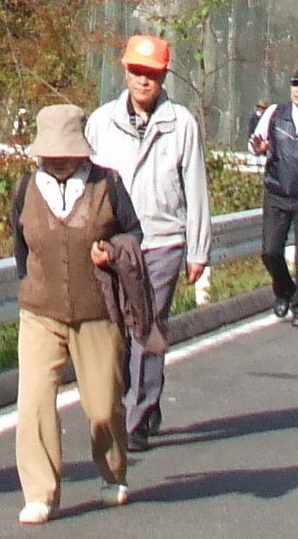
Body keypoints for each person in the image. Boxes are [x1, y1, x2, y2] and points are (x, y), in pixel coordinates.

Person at [7, 102, 152, 522]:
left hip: (97, 312)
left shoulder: (108, 185)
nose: (58, 160)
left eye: (65, 152)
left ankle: (113, 472)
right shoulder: (25, 189)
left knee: (103, 406)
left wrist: (110, 251)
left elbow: (133, 233)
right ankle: (40, 492)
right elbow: (22, 253)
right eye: (50, 154)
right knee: (33, 401)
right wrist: (33, 289)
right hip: (40, 312)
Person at [88, 34, 210, 449]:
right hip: (115, 242)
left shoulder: (182, 124)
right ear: (125, 71)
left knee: (149, 324)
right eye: (137, 72)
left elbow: (196, 188)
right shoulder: (102, 122)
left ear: (163, 76)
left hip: (162, 239)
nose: (143, 81)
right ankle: (136, 401)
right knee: (116, 327)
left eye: (152, 74)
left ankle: (137, 416)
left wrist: (199, 249)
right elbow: (88, 186)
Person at [248, 66, 298, 322]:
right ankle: (284, 290)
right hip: (276, 191)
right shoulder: (276, 113)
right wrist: (259, 148)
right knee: (270, 251)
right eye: (295, 84)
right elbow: (255, 144)